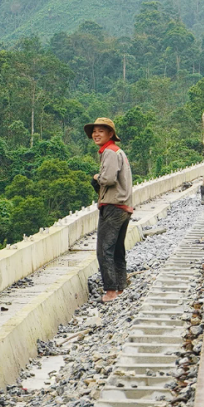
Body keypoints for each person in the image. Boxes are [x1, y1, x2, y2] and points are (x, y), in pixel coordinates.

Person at [86, 117, 134, 303]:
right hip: (124, 206)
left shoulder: (110, 152)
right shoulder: (117, 151)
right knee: (117, 249)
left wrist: (98, 177)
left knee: (104, 249)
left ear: (110, 134)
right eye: (94, 131)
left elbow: (109, 179)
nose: (96, 134)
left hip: (113, 206)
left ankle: (111, 291)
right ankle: (120, 287)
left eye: (101, 131)